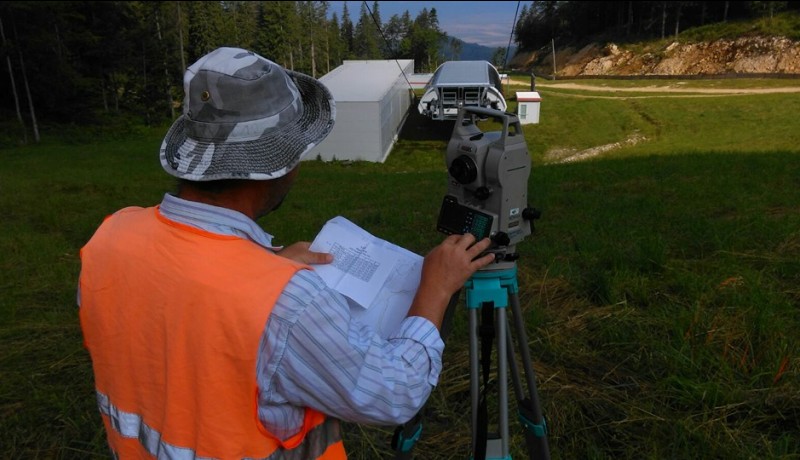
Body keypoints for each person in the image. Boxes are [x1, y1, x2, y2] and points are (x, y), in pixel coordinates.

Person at [78, 47, 495, 459]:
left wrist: (257, 267)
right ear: (280, 163)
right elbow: (394, 393)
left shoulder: (111, 235)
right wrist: (435, 289)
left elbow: (179, 316)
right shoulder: (289, 304)